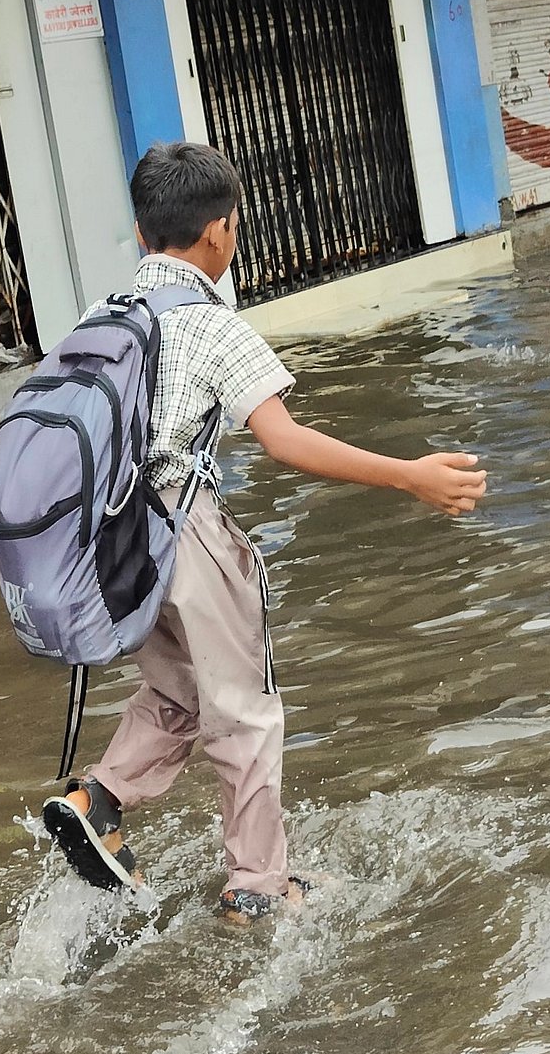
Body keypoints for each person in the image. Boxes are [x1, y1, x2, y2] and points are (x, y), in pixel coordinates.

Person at [42, 141, 488, 921]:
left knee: (177, 688)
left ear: (143, 235)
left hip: (106, 542)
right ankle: (258, 883)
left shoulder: (99, 318)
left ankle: (98, 799)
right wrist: (408, 475)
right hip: (182, 528)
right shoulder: (216, 327)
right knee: (245, 708)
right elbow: (283, 441)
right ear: (219, 232)